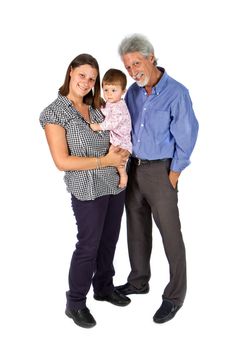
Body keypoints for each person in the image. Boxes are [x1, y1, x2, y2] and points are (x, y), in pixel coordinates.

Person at [39, 53, 131, 329]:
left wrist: (121, 153)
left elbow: (115, 132)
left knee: (109, 240)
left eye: (92, 78)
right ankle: (75, 302)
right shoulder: (54, 113)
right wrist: (107, 160)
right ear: (70, 73)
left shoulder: (96, 108)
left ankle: (103, 287)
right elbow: (62, 161)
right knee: (88, 245)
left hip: (114, 184)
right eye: (83, 75)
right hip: (86, 189)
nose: (87, 82)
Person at [116, 34, 199, 324]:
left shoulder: (177, 93)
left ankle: (175, 296)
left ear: (152, 58)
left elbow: (187, 137)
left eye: (137, 63)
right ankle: (139, 281)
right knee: (136, 228)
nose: (133, 70)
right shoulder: (133, 93)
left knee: (170, 235)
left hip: (161, 171)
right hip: (133, 168)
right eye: (127, 67)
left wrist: (173, 174)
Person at [90, 68, 132, 188]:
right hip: (117, 139)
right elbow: (107, 111)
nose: (109, 94)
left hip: (122, 143)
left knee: (118, 161)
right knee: (111, 157)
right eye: (106, 90)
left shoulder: (120, 107)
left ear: (123, 91)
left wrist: (98, 126)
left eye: (114, 90)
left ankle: (123, 176)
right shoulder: (112, 102)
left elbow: (112, 123)